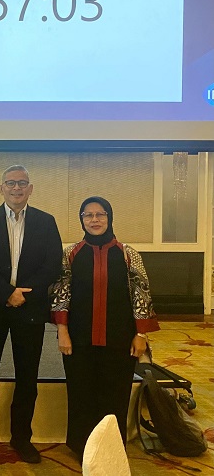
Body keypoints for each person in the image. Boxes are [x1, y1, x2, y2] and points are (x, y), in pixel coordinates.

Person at [0, 165, 62, 464]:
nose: (16, 188)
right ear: (1, 188)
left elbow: (52, 264)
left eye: (22, 183)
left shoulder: (46, 222)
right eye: (10, 183)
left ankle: (21, 437)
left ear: (30, 189)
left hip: (30, 310)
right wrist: (6, 292)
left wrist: (23, 294)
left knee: (27, 376)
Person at [51, 196, 160, 457]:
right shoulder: (70, 254)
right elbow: (61, 294)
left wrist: (141, 334)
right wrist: (62, 331)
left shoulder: (128, 254)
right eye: (88, 215)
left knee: (115, 394)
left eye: (100, 214)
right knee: (81, 393)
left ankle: (111, 449)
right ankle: (82, 448)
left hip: (119, 339)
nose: (94, 220)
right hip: (79, 339)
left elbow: (141, 294)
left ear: (109, 218)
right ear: (81, 220)